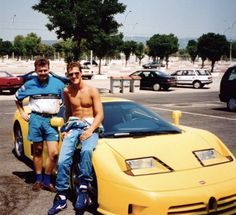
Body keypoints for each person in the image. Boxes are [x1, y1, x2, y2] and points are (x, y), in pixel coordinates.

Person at [48, 62, 104, 215]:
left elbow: (100, 114)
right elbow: (68, 112)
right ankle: (61, 198)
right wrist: (65, 128)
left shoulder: (92, 91)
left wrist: (90, 131)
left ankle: (84, 191)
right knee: (62, 160)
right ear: (67, 75)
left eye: (76, 73)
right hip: (73, 126)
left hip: (89, 126)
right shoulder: (67, 91)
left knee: (86, 151)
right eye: (70, 74)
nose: (73, 76)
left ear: (81, 73)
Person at [15, 57, 65, 192]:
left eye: (45, 70)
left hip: (52, 121)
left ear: (49, 69)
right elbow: (17, 97)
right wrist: (22, 112)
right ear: (36, 70)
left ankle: (47, 180)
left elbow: (65, 100)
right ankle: (38, 180)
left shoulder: (58, 84)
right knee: (37, 151)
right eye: (40, 70)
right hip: (36, 119)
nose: (43, 73)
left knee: (54, 153)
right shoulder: (30, 84)